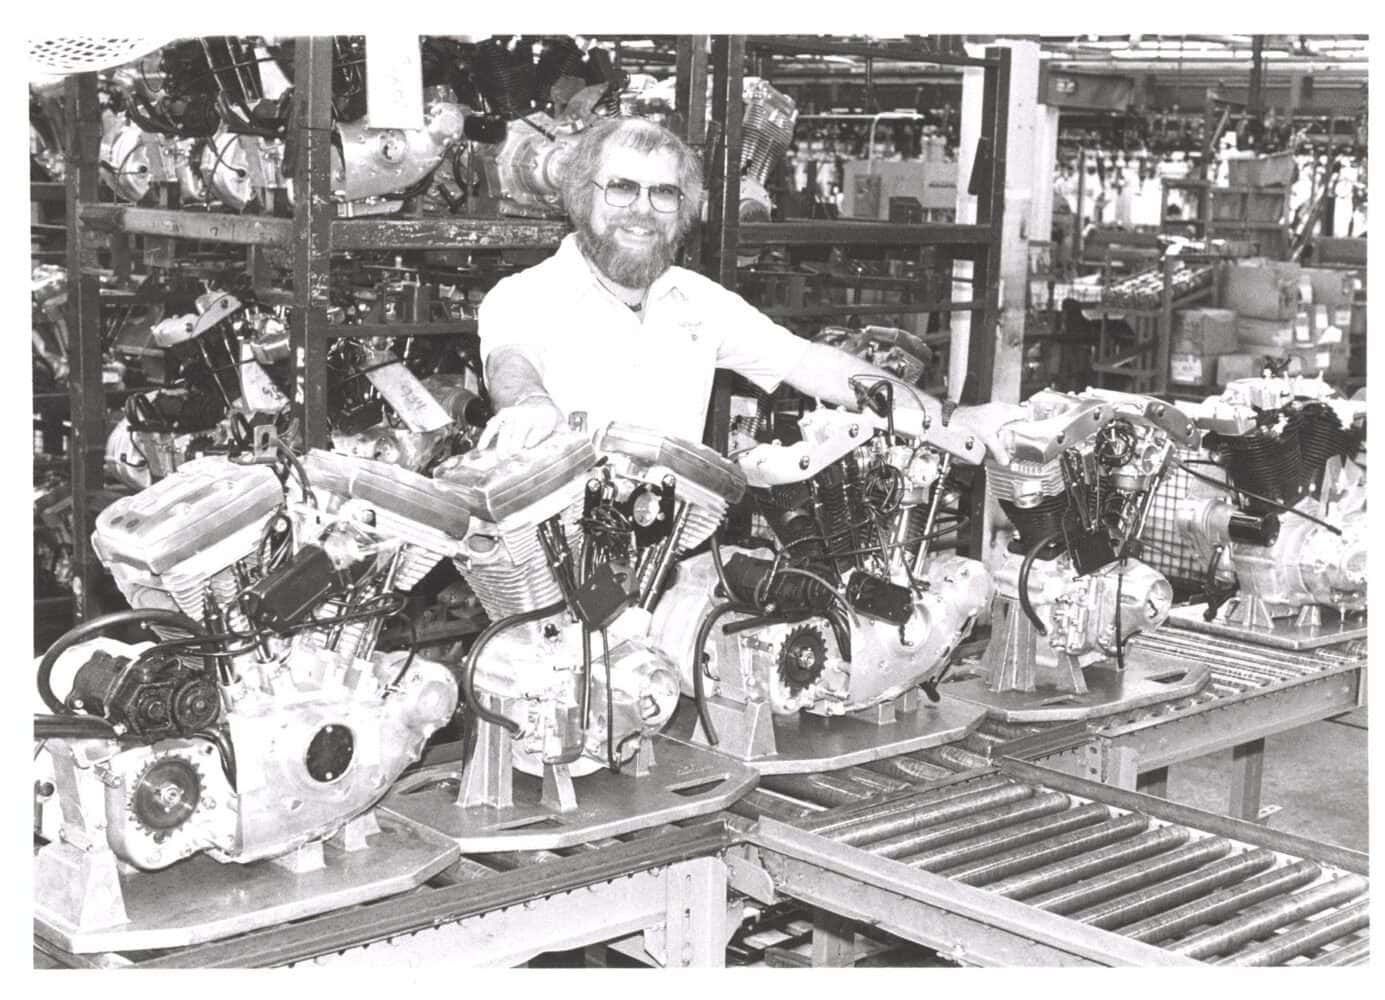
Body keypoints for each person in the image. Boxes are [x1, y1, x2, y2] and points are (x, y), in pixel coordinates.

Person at [477, 116, 1019, 461]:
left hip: (675, 551)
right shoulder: (525, 296)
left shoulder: (697, 301)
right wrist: (530, 406)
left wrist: (948, 419)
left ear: (684, 212)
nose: (642, 210)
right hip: (554, 562)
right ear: (580, 196)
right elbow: (511, 364)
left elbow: (817, 366)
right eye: (621, 189)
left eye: (664, 194)